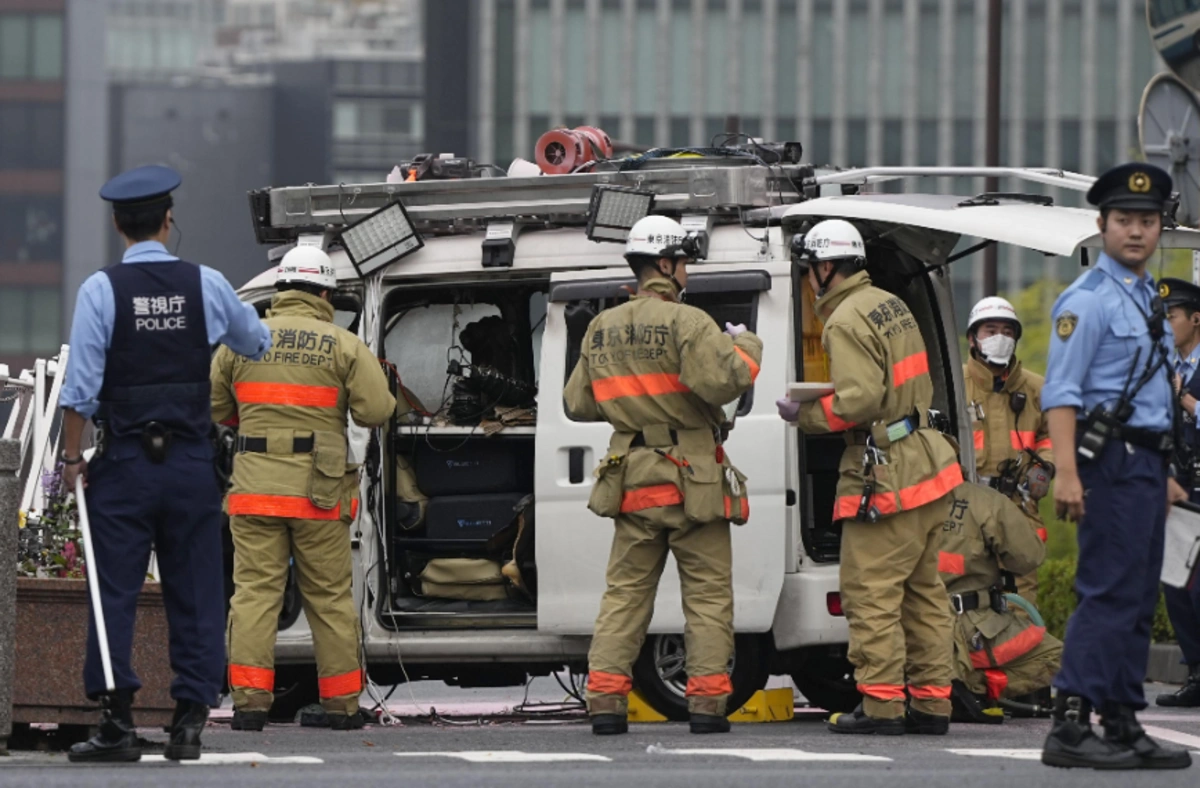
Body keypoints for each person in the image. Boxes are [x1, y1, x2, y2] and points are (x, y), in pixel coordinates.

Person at [58, 165, 272, 762]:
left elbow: (79, 392)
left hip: (123, 466)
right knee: (198, 590)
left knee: (113, 592)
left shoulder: (100, 291)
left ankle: (116, 722)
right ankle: (189, 723)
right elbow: (256, 342)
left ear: (116, 225)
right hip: (189, 466)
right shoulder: (205, 283)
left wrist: (73, 459)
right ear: (168, 220)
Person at [564, 215, 762, 736]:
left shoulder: (600, 328)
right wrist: (747, 347)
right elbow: (727, 382)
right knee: (707, 596)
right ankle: (706, 706)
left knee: (625, 594)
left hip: (632, 480)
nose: (688, 273)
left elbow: (578, 403)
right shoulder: (688, 321)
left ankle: (605, 702)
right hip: (691, 479)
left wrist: (633, 402)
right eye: (686, 263)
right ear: (668, 265)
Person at [777, 218, 963, 736]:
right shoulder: (891, 303)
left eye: (811, 267)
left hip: (887, 473)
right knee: (924, 592)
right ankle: (931, 704)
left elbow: (858, 400)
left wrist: (803, 415)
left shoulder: (844, 320)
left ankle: (881, 706)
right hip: (926, 462)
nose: (811, 277)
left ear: (827, 266)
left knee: (870, 592)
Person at [1040, 162, 1192, 770]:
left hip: (1145, 465)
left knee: (1133, 594)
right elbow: (1061, 392)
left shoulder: (1147, 299)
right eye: (1124, 220)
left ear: (1160, 228)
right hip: (1106, 463)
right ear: (1101, 225)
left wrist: (1165, 473)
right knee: (1106, 592)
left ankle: (1124, 720)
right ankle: (1071, 724)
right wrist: (1068, 473)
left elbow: (1152, 393)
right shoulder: (1089, 301)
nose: (1136, 231)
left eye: (1148, 221)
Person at [210, 246, 395, 732]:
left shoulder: (239, 342)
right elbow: (376, 412)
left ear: (280, 287)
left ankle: (249, 704)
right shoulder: (343, 345)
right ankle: (342, 707)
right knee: (330, 598)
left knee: (253, 595)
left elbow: (214, 409)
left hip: (254, 490)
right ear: (325, 293)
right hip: (318, 490)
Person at [938, 483, 1061, 720]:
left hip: (909, 621)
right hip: (970, 625)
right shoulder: (984, 500)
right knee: (1056, 658)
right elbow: (1028, 557)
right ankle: (970, 685)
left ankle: (935, 682)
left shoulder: (896, 496)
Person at [963, 297, 1054, 605]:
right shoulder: (953, 383)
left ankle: (1023, 653)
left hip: (1018, 505)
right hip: (967, 507)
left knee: (1022, 597)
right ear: (973, 338)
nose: (1000, 338)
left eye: (1007, 331)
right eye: (990, 330)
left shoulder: (1037, 388)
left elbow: (1053, 433)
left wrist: (1045, 467)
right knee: (964, 592)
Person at [1155, 277, 1200, 708]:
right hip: (1180, 486)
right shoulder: (1167, 365)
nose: (1166, 325)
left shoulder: (1183, 378)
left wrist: (1183, 397)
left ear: (1195, 319)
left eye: (1172, 317)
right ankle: (1196, 670)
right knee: (1178, 585)